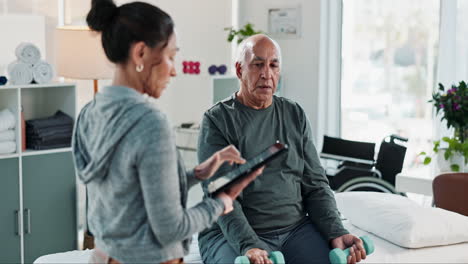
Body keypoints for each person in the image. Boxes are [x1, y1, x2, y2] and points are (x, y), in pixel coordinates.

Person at [72, 1, 263, 263]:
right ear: (140, 53)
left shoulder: (89, 112)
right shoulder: (150, 122)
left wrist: (197, 174)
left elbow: (128, 191)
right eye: (170, 56)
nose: (173, 69)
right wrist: (222, 201)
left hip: (105, 256)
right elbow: (171, 228)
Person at [197, 34, 367, 264]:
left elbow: (316, 185)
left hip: (295, 230)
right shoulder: (218, 120)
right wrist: (249, 245)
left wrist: (335, 230)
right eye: (258, 65)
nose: (266, 73)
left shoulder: (294, 114)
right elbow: (221, 194)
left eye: (273, 65)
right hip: (229, 234)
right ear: (239, 70)